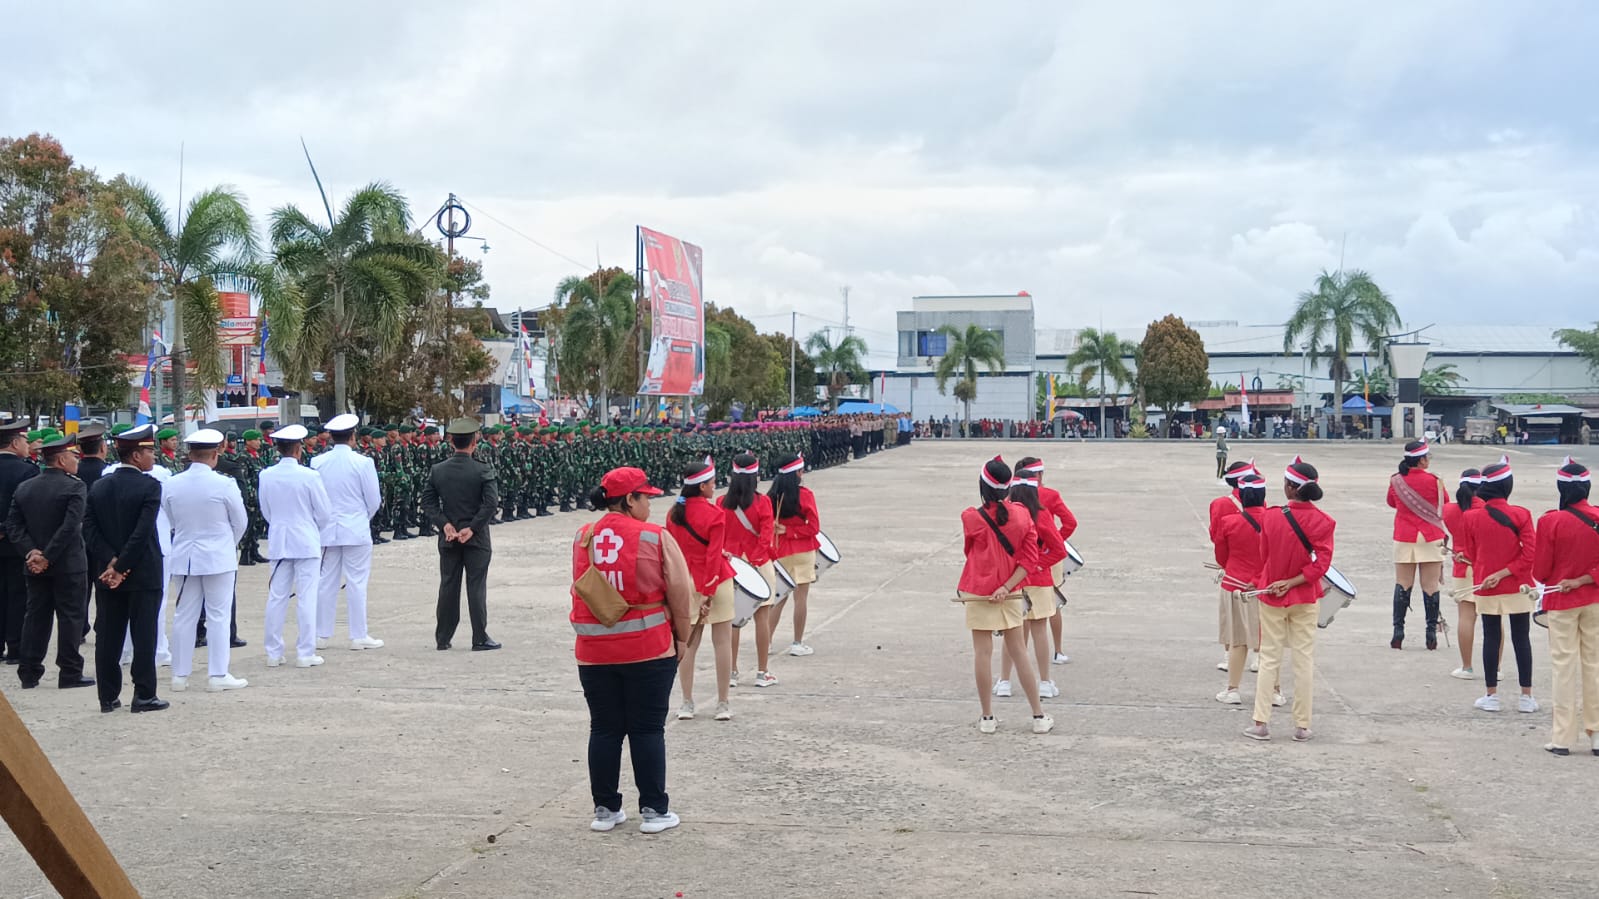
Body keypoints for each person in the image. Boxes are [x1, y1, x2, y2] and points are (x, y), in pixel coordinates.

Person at [571, 466, 693, 834]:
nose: (651, 505)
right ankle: (654, 810)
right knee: (647, 730)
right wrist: (683, 636)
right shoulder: (655, 537)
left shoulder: (583, 536)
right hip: (648, 648)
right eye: (646, 498)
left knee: (604, 729)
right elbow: (680, 591)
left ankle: (605, 810)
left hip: (593, 650)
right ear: (629, 499)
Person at [958, 457, 1053, 735]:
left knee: (982, 653)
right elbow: (1029, 558)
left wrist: (992, 584)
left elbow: (970, 552)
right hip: (1010, 592)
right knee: (1019, 651)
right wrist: (1006, 585)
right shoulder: (1023, 514)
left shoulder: (970, 517)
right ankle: (1038, 716)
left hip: (979, 591)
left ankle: (987, 718)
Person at [1245, 457, 1334, 742]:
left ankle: (1261, 723)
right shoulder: (1324, 521)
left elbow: (1264, 555)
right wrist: (1294, 582)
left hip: (1271, 594)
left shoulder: (1271, 516)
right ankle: (1302, 726)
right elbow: (1321, 566)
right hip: (1306, 596)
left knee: (1269, 657)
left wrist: (1275, 581)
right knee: (1303, 660)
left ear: (1290, 488)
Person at [83, 424, 168, 713]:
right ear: (135, 456)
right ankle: (144, 694)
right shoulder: (150, 485)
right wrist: (122, 565)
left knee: (108, 634)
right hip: (142, 571)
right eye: (149, 451)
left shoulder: (99, 486)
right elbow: (142, 533)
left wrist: (110, 562)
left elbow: (90, 529)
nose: (153, 456)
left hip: (107, 574)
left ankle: (107, 696)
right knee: (144, 634)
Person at [4, 434, 94, 691]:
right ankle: (70, 671)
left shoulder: (26, 487)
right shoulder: (75, 487)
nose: (77, 460)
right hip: (68, 563)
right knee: (71, 617)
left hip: (33, 564)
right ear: (63, 460)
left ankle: (29, 672)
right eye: (73, 456)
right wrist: (47, 555)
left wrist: (32, 552)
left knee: (36, 617)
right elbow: (70, 527)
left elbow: (14, 525)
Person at [165, 429, 251, 693]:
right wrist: (226, 543)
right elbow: (240, 522)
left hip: (185, 555)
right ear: (215, 454)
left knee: (184, 615)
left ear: (190, 454)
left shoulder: (172, 482)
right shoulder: (224, 484)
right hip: (218, 557)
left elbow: (170, 519)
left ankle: (179, 676)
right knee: (218, 616)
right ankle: (217, 674)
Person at [1457, 457, 1539, 714]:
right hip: (1518, 584)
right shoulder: (1522, 514)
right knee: (1521, 638)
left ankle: (1491, 695)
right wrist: (1507, 572)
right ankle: (1526, 697)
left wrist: (1491, 572)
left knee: (1491, 638)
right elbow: (1530, 555)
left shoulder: (1470, 517)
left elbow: (1471, 553)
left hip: (1486, 583)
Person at [1533, 457, 1599, 756]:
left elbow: (1541, 571)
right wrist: (1587, 577)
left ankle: (1562, 738)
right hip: (1596, 598)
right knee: (1595, 666)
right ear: (1587, 488)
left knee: (1563, 668)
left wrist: (1567, 577)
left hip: (1561, 601)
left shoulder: (1550, 521)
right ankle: (1596, 735)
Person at [420, 417, 500, 651]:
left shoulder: (438, 470)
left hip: (449, 538)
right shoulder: (483, 469)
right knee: (476, 586)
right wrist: (472, 528)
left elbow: (428, 501)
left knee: (448, 585)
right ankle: (480, 637)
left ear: (451, 441)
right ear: (475, 441)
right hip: (476, 538)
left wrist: (444, 524)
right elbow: (490, 504)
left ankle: (443, 637)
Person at [666, 457, 736, 721]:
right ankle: (722, 703)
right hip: (715, 580)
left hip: (685, 582)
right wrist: (709, 590)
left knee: (688, 643)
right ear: (702, 487)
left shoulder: (674, 513)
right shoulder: (715, 514)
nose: (714, 486)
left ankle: (686, 702)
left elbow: (674, 552)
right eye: (712, 482)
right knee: (722, 643)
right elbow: (712, 555)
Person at [259, 424, 333, 669]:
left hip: (280, 539)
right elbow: (323, 513)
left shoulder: (266, 475)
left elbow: (266, 510)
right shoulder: (310, 476)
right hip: (306, 539)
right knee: (306, 597)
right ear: (299, 448)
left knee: (277, 596)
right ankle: (304, 652)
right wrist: (311, 527)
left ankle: (273, 652)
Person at [311, 414, 384, 651]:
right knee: (357, 582)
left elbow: (317, 499)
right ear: (352, 437)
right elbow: (373, 500)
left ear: (331, 437)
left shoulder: (317, 462)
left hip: (327, 529)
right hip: (356, 528)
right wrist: (361, 518)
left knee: (326, 582)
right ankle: (358, 635)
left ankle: (321, 635)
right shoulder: (363, 463)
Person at [1213, 473, 1281, 706]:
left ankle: (1232, 690)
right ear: (1264, 496)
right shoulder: (1277, 520)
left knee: (1237, 640)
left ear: (1240, 495)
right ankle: (1274, 691)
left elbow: (1221, 557)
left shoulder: (1229, 522)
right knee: (1270, 641)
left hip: (1235, 586)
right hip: (1268, 587)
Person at [997, 468, 1065, 701]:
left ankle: (1004, 681)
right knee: (1039, 632)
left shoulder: (1005, 514)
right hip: (1039, 580)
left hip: (1013, 580)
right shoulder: (1042, 514)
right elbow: (1059, 549)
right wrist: (1037, 564)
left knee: (1012, 634)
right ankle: (1044, 682)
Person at [722, 453, 779, 688]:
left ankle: (732, 672)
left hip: (732, 563)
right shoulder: (763, 502)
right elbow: (766, 535)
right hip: (758, 564)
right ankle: (762, 671)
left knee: (732, 621)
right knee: (762, 619)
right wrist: (756, 558)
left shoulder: (721, 503)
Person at [1387, 440, 1449, 650]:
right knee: (1430, 586)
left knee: (1403, 584)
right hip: (1430, 536)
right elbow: (1445, 503)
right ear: (1422, 460)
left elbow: (1391, 502)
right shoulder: (1435, 481)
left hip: (1404, 536)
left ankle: (1398, 630)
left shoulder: (1396, 480)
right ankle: (1431, 633)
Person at [767, 453, 820, 657]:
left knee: (779, 598)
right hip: (803, 549)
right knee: (801, 599)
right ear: (796, 473)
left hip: (779, 550)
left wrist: (781, 530)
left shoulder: (771, 497)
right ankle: (797, 642)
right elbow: (814, 527)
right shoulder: (805, 495)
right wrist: (793, 532)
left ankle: (768, 641)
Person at [0, 417, 41, 665]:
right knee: (18, 596)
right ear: (15, 443)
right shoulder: (28, 471)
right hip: (18, 544)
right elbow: (30, 509)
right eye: (25, 440)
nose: (27, 445)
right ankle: (15, 647)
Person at [1443, 470, 1488, 679]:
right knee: (1493, 618)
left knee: (1466, 617)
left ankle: (1467, 667)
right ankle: (1495, 669)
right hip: (1486, 568)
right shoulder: (1487, 510)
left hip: (1462, 567)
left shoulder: (1449, 510)